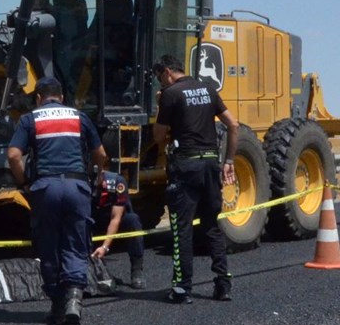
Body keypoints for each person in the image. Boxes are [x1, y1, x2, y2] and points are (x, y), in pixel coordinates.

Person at [8, 76, 107, 325]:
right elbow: (100, 154)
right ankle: (74, 301)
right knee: (75, 242)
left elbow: (13, 155)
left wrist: (24, 183)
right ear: (62, 97)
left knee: (49, 245)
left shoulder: (29, 119)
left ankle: (57, 305)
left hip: (45, 188)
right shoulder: (79, 117)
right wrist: (98, 174)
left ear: (39, 98)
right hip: (76, 186)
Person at [152, 54, 239, 303]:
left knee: (182, 228)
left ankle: (182, 288)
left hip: (185, 165)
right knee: (212, 225)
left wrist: (161, 105)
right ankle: (223, 284)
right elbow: (233, 125)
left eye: (161, 78)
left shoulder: (171, 94)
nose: (162, 84)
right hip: (211, 163)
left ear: (168, 72)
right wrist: (229, 161)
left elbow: (158, 136)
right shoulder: (208, 89)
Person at [91, 171, 146, 289]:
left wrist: (105, 247)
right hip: (94, 221)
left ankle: (137, 271)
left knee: (133, 220)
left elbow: (115, 219)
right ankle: (101, 272)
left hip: (116, 219)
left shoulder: (117, 182)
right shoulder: (84, 184)